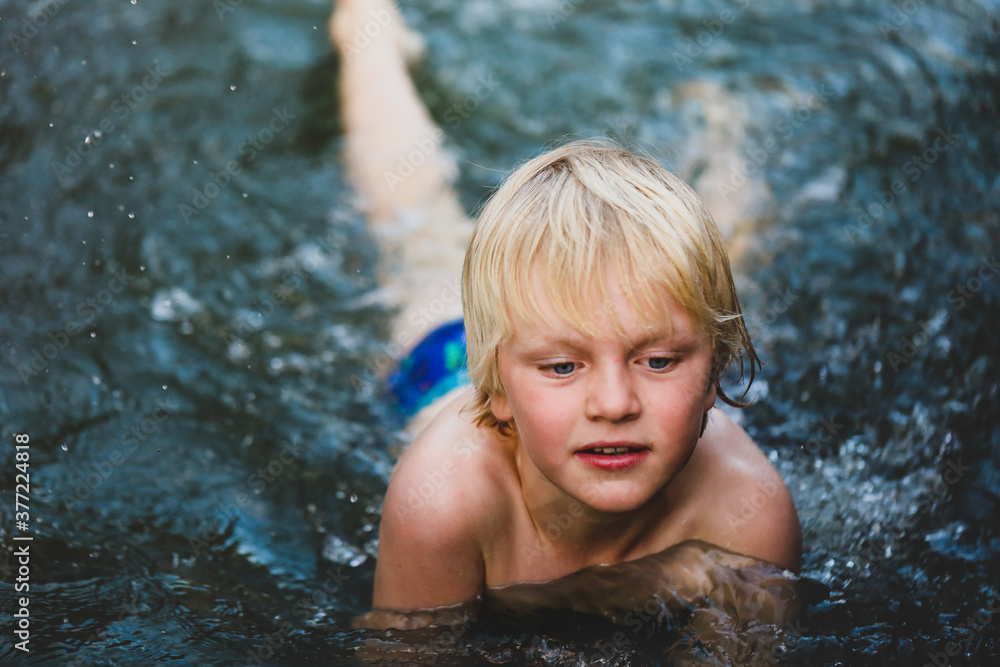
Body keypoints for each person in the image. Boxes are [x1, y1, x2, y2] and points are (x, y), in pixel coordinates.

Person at [330, 0, 801, 634]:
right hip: (440, 362)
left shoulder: (748, 510)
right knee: (414, 224)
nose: (614, 403)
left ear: (717, 371)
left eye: (658, 361)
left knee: (713, 278)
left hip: (561, 335)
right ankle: (367, 39)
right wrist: (668, 577)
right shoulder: (441, 502)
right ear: (496, 390)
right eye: (562, 368)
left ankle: (732, 133)